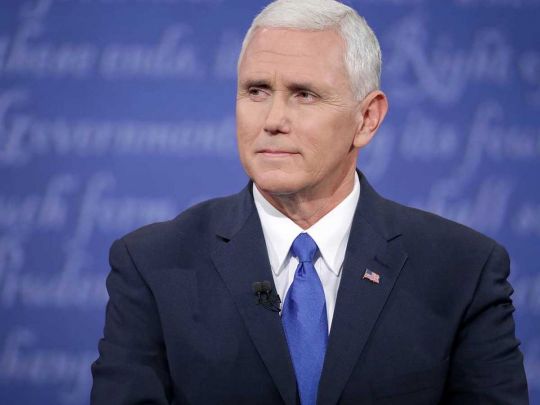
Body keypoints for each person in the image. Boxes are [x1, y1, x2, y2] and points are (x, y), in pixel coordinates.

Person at [90, 0, 529, 404]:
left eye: (304, 94)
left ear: (367, 118)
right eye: (257, 90)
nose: (273, 120)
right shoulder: (153, 264)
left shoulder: (461, 270)